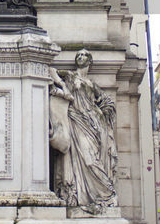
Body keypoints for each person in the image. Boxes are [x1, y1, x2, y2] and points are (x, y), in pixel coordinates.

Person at [48, 48, 119, 213]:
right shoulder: (71, 76)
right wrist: (60, 86)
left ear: (90, 61)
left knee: (93, 158)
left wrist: (103, 113)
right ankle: (98, 194)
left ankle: (101, 196)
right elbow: (52, 72)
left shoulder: (91, 84)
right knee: (87, 159)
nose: (80, 57)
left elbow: (106, 101)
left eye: (84, 55)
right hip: (76, 120)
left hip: (92, 122)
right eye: (78, 55)